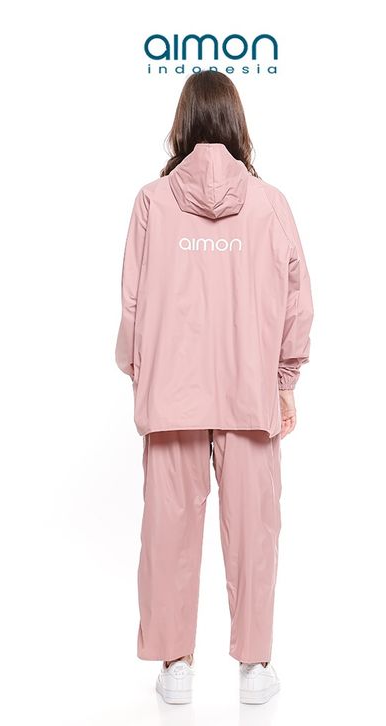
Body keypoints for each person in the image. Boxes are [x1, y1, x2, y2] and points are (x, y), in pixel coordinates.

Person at [115, 70, 314, 705]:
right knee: (255, 530)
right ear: (236, 124)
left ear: (182, 124)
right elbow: (297, 300)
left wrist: (142, 373)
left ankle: (176, 667)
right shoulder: (269, 203)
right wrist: (284, 381)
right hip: (249, 391)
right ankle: (255, 669)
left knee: (167, 530)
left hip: (172, 395)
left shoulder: (152, 202)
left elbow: (132, 305)